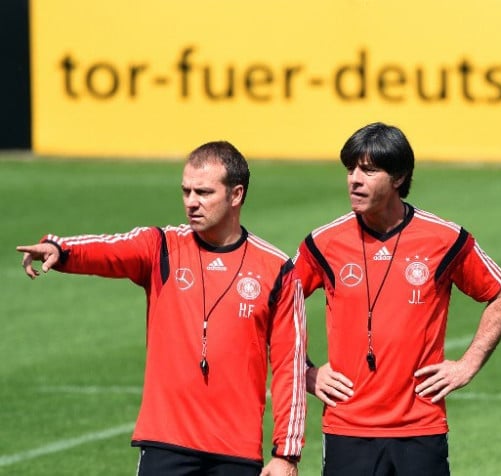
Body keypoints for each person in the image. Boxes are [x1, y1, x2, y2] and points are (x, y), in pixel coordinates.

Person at [17, 141, 307, 476]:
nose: (191, 202)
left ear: (236, 194)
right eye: (186, 192)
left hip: (236, 451)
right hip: (165, 443)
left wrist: (287, 453)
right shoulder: (162, 248)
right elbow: (110, 248)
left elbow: (290, 365)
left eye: (203, 192)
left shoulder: (276, 269)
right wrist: (60, 248)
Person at [293, 122, 501, 475]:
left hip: (420, 427)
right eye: (350, 169)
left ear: (398, 178)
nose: (354, 179)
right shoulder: (324, 243)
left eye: (368, 170)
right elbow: (276, 306)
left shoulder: (444, 239)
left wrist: (468, 364)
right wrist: (305, 371)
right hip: (347, 427)